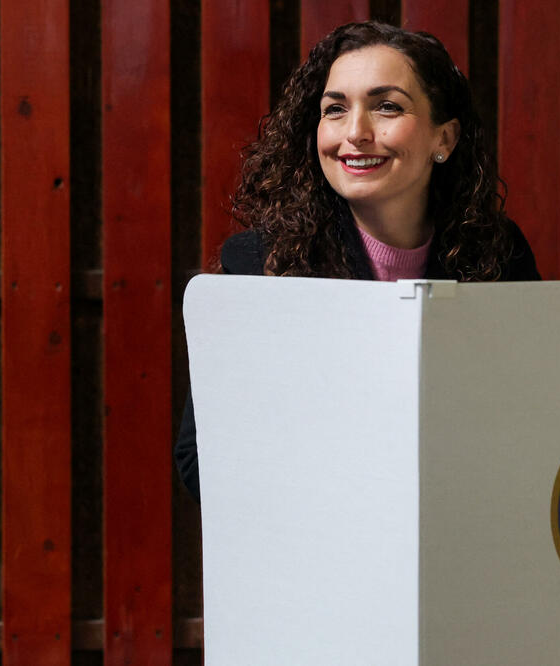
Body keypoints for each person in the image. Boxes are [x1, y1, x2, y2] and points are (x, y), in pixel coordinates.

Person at [174, 21, 540, 501]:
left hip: (464, 545)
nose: (355, 133)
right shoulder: (263, 263)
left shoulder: (498, 254)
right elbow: (199, 462)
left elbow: (536, 425)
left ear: (443, 139)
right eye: (335, 110)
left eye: (387, 106)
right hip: (321, 550)